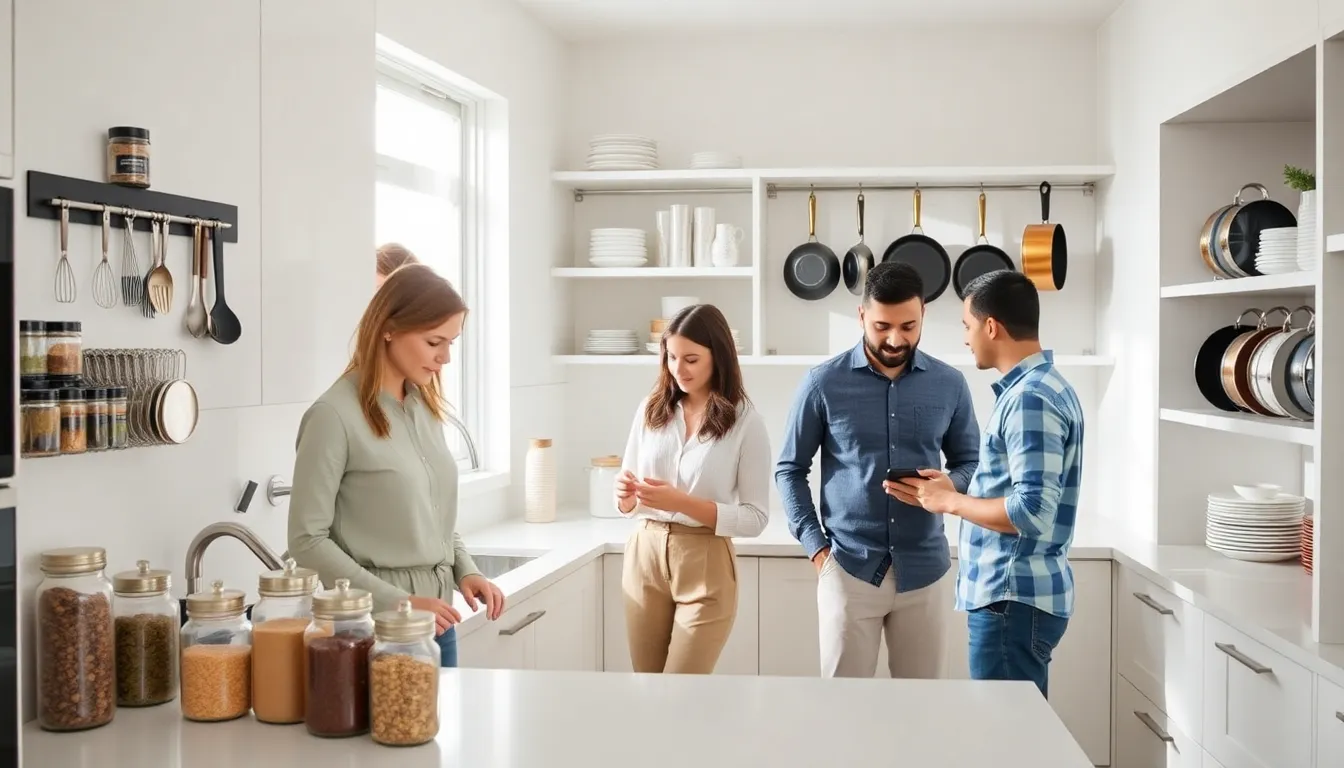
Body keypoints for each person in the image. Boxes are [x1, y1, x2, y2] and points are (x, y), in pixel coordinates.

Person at [288, 263, 504, 668]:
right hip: (370, 628)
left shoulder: (424, 406)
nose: (445, 358)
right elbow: (307, 541)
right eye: (434, 341)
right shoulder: (333, 416)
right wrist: (398, 603)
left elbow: (432, 513)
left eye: (451, 343)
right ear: (388, 328)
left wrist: (465, 570)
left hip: (437, 621)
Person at [775, 261, 980, 679]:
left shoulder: (950, 384)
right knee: (844, 712)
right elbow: (790, 469)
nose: (894, 338)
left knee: (920, 710)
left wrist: (950, 486)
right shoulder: (822, 383)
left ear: (923, 313)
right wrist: (817, 549)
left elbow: (970, 461)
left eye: (908, 326)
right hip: (848, 568)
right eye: (882, 325)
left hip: (925, 570)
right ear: (862, 315)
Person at [898, 269, 1084, 698]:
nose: (966, 338)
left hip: (1010, 599)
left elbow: (1031, 511)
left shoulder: (1029, 399)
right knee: (1020, 737)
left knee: (1008, 745)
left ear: (991, 326)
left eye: (967, 326)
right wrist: (956, 491)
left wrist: (949, 501)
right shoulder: (1046, 388)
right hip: (1018, 600)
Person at [614, 303, 772, 674]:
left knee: (682, 693)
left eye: (691, 359)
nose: (678, 369)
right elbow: (628, 496)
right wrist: (625, 497)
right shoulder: (651, 409)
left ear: (718, 357)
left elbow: (755, 518)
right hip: (644, 557)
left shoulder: (745, 422)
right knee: (648, 689)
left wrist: (681, 502)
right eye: (671, 357)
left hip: (705, 562)